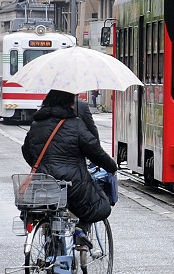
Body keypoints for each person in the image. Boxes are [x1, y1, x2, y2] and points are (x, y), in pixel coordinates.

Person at [22, 90, 117, 249]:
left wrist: (40, 166)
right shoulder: (75, 124)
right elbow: (94, 151)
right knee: (100, 205)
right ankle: (80, 231)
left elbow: (26, 150)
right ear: (69, 103)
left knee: (49, 211)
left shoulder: (36, 124)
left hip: (44, 184)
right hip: (73, 185)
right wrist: (111, 167)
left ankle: (50, 251)